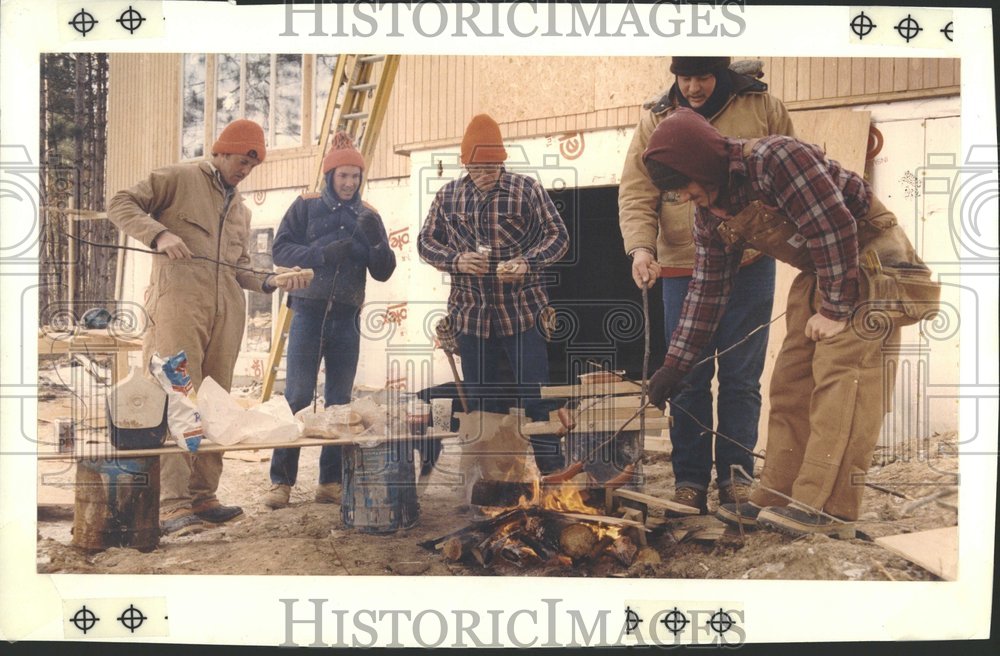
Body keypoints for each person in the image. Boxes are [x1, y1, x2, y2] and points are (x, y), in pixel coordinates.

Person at [642, 108, 937, 536]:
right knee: (791, 379)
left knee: (843, 379)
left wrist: (835, 309)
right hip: (823, 269)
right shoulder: (711, 212)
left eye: (683, 185)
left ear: (700, 164)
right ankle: (779, 493)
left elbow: (835, 227)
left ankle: (829, 507)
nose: (685, 196)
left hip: (871, 261)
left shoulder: (776, 158)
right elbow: (706, 292)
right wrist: (674, 366)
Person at [108, 118, 311, 534]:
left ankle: (203, 496)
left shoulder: (240, 210)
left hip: (225, 313)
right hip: (177, 307)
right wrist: (159, 234)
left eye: (251, 167)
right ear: (220, 152)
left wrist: (274, 278)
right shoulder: (179, 178)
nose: (245, 171)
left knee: (216, 402)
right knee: (177, 398)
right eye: (241, 161)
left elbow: (239, 269)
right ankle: (172, 503)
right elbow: (120, 203)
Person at [618, 56, 795, 514]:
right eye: (685, 77)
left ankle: (736, 478)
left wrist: (763, 227)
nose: (693, 87)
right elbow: (637, 191)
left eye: (703, 76)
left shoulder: (762, 106)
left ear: (721, 73)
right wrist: (642, 248)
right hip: (681, 262)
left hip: (751, 260)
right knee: (689, 375)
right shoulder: (654, 119)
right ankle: (690, 481)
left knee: (741, 375)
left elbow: (786, 180)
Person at [417, 114, 569, 474]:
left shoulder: (526, 189)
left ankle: (553, 476)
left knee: (537, 399)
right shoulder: (448, 195)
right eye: (478, 167)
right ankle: (493, 480)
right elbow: (425, 243)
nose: (486, 173)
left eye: (492, 166)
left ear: (503, 161)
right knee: (483, 404)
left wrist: (528, 263)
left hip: (522, 312)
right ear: (465, 163)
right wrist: (454, 260)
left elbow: (559, 237)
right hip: (471, 316)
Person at [262, 132, 396, 509]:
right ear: (330, 176)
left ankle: (330, 482)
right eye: (343, 176)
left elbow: (383, 271)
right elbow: (281, 250)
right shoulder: (304, 206)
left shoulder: (369, 214)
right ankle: (281, 483)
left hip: (347, 318)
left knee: (339, 402)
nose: (350, 183)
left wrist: (377, 245)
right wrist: (320, 253)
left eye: (356, 176)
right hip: (307, 312)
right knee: (297, 396)